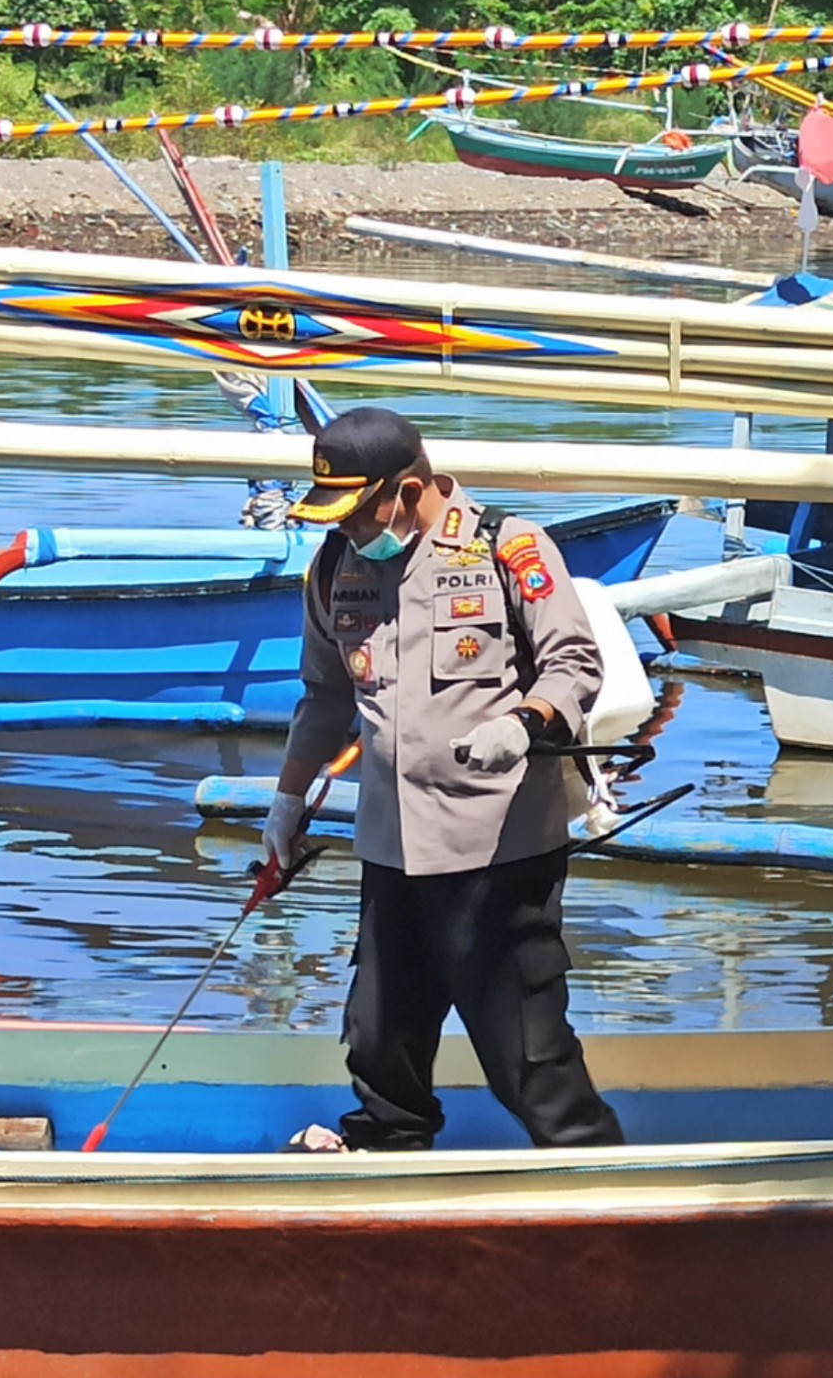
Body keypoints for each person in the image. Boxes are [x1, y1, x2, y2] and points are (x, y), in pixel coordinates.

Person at [258, 405, 623, 1151]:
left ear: (410, 488)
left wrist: (522, 724)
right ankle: (386, 1159)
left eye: (363, 512)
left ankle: (595, 1180)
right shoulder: (335, 568)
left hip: (496, 850)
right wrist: (287, 801)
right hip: (392, 850)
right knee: (378, 1036)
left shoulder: (506, 548)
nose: (354, 530)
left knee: (525, 1052)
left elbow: (576, 663)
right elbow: (326, 696)